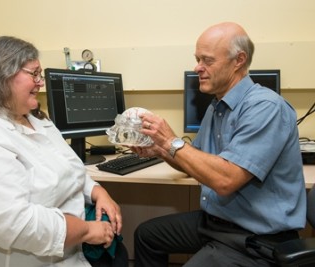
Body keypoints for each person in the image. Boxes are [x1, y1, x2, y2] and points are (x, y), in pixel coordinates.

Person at [0, 36, 127, 267]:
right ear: (2, 76)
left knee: (118, 256)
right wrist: (87, 230)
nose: (40, 83)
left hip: (60, 251)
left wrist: (97, 191)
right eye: (34, 74)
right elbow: (12, 223)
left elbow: (69, 167)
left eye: (40, 74)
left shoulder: (37, 121)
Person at [130, 22, 306, 267]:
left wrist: (171, 141)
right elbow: (197, 161)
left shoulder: (266, 107)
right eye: (197, 59)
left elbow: (225, 180)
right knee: (147, 235)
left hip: (255, 240)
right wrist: (160, 149)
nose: (197, 68)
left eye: (207, 60)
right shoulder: (217, 106)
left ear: (239, 60)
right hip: (217, 222)